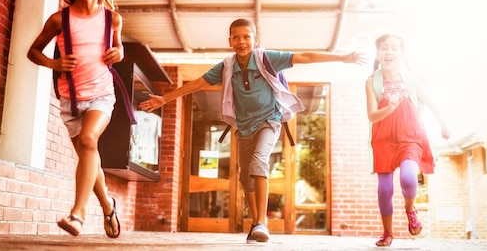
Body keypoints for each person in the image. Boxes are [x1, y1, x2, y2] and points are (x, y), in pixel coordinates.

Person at [139, 18, 367, 244]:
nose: (241, 41)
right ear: (230, 41)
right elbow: (198, 83)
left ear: (255, 39)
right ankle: (255, 224)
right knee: (246, 179)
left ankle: (262, 223)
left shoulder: (266, 58)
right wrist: (164, 99)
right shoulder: (227, 66)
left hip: (270, 120)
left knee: (259, 162)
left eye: (246, 37)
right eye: (236, 37)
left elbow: (304, 57)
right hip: (245, 127)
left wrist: (341, 58)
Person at [26, 0, 122, 238]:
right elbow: (32, 51)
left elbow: (119, 49)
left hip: (102, 94)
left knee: (90, 140)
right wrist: (54, 63)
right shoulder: (59, 20)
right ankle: (107, 206)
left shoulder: (112, 19)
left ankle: (77, 215)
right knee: (88, 155)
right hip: (72, 99)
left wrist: (118, 52)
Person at [365, 33, 451, 247]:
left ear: (401, 54)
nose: (389, 52)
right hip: (383, 139)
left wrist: (443, 123)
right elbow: (372, 116)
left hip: (410, 137)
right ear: (378, 53)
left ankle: (410, 208)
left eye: (394, 48)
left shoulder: (411, 80)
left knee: (409, 179)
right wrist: (390, 106)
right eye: (384, 48)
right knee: (384, 189)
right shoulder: (371, 82)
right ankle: (387, 233)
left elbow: (429, 101)